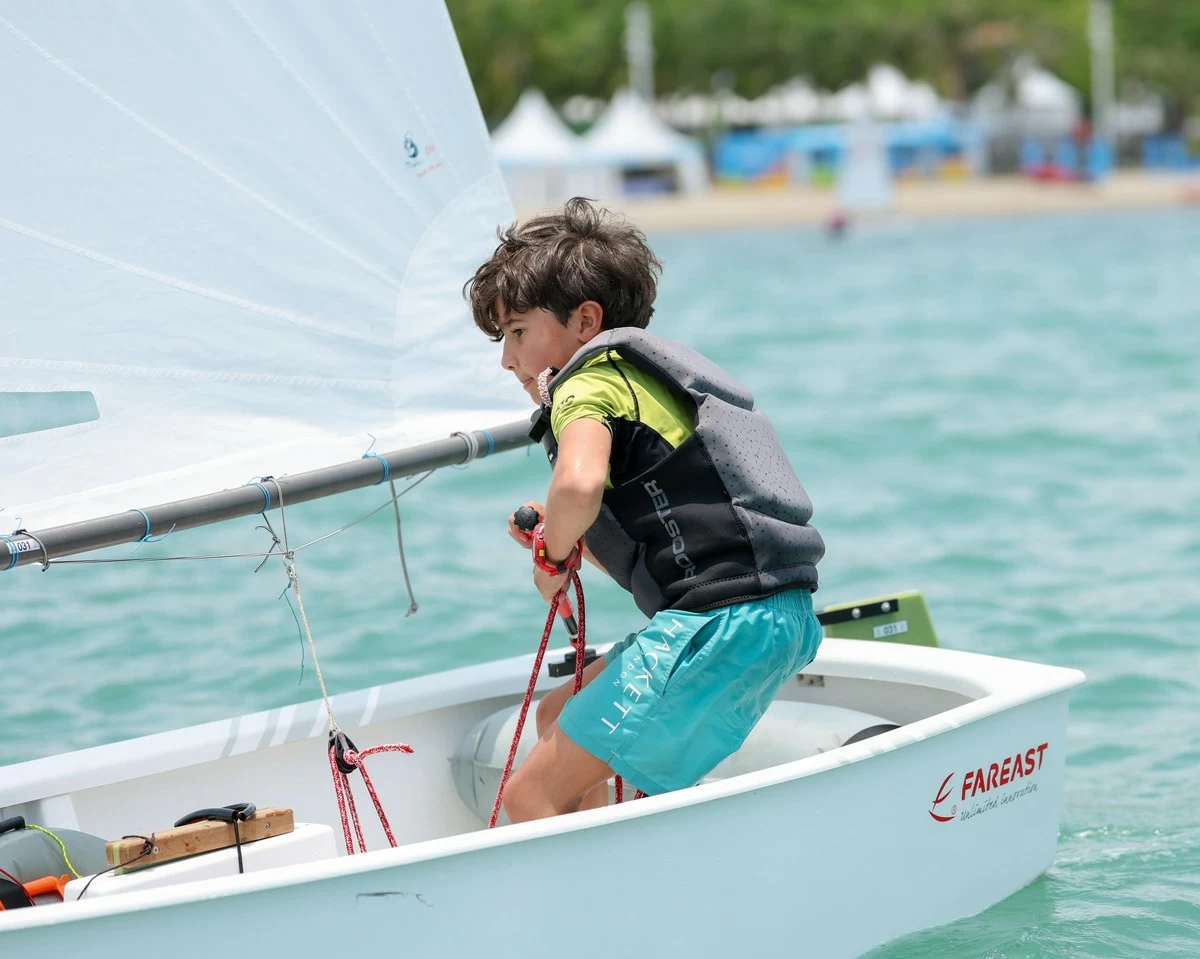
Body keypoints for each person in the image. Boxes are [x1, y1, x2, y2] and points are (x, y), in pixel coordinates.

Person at [464, 197, 825, 823]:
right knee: (556, 715)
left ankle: (595, 915)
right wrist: (571, 540)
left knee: (530, 796)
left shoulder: (584, 383)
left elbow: (578, 488)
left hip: (720, 625)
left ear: (584, 321)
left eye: (517, 332)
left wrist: (550, 559)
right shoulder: (640, 381)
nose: (507, 359)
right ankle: (614, 862)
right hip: (771, 616)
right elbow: (657, 548)